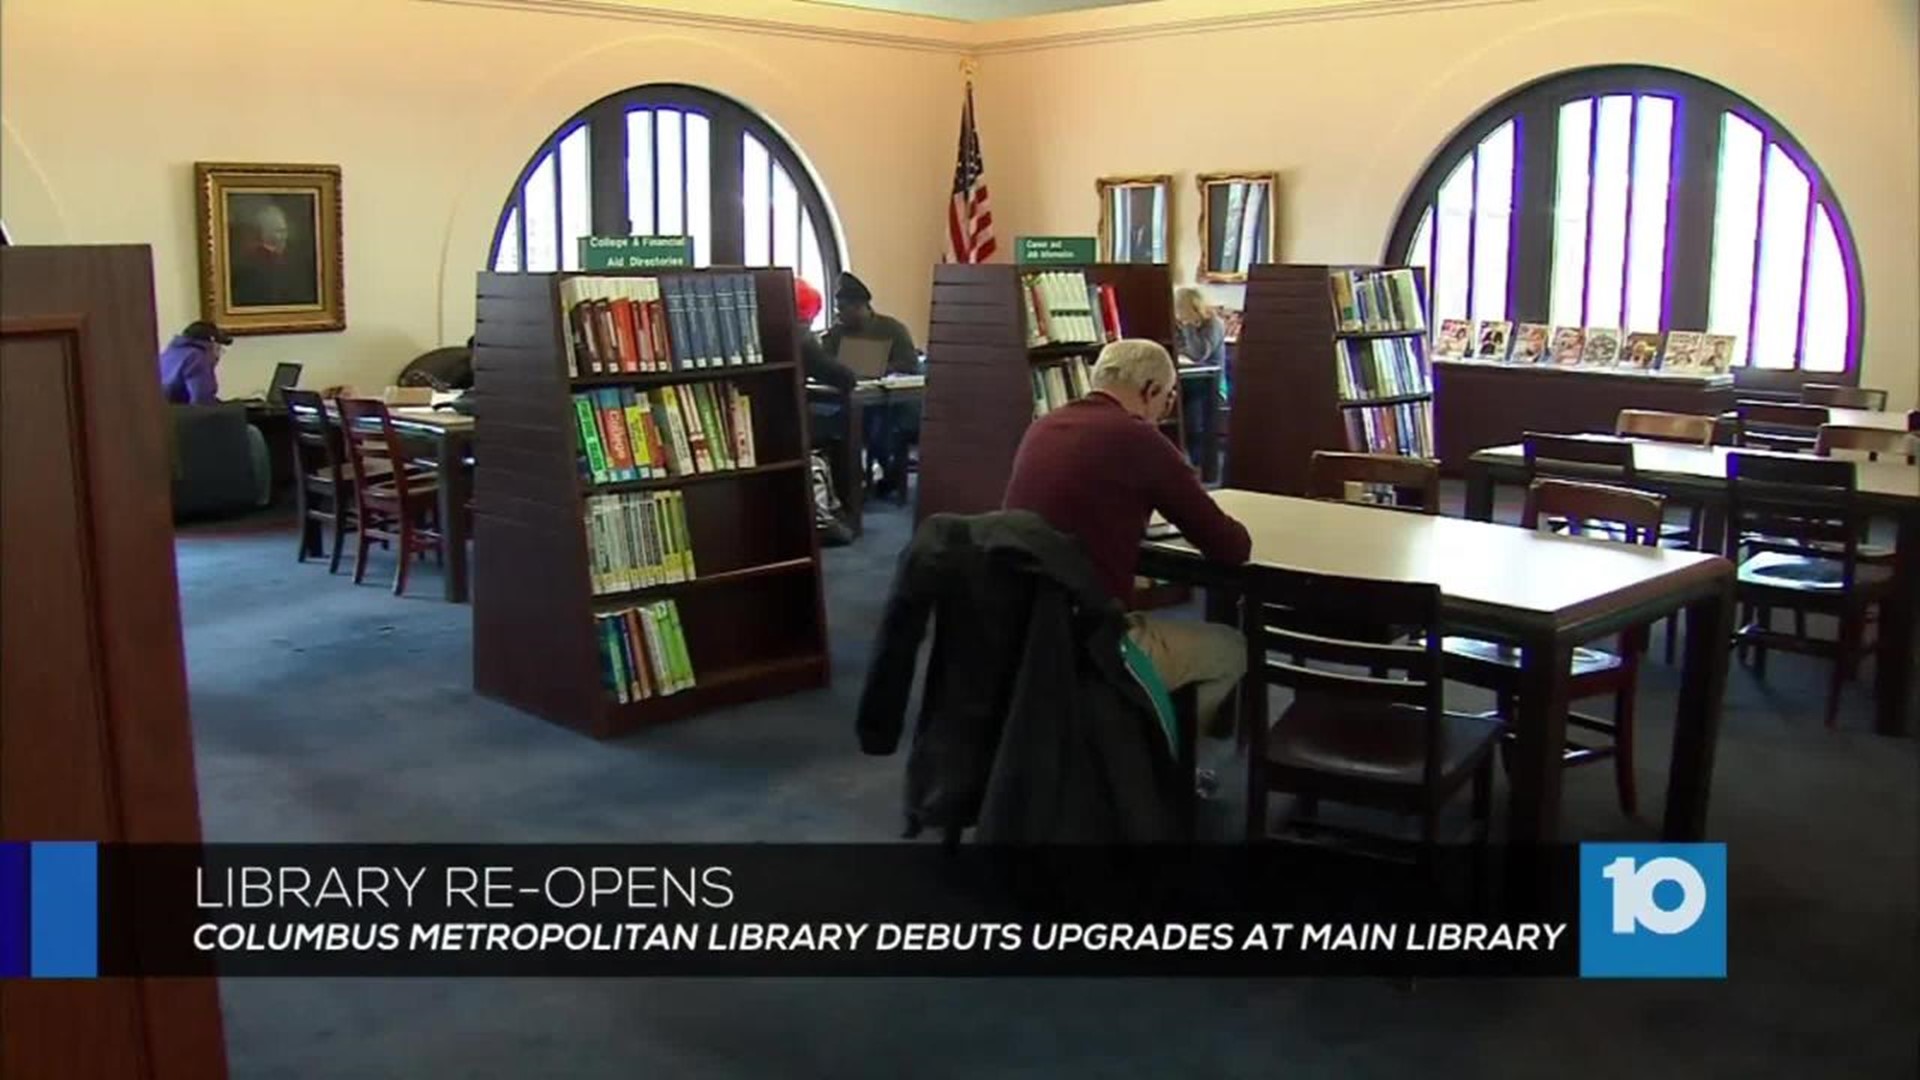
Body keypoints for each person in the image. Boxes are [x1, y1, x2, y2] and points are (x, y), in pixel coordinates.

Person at [1003, 338, 1251, 731]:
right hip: (1094, 639)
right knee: (1232, 650)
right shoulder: (1140, 440)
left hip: (1020, 624)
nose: (1164, 410)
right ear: (1150, 390)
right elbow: (1230, 547)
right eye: (1168, 399)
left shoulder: (1043, 427)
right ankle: (1156, 764)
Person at [823, 272, 920, 497]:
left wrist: (878, 367)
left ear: (860, 306)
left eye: (843, 308)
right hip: (848, 399)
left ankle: (889, 473)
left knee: (879, 423)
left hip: (889, 401)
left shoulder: (892, 329)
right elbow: (825, 362)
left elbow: (909, 364)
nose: (839, 314)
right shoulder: (837, 333)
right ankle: (848, 481)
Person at [796, 278, 857, 545]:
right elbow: (842, 377)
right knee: (835, 434)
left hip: (765, 419)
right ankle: (830, 512)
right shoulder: (801, 337)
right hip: (791, 421)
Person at [1172, 286, 1225, 468]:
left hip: (1211, 384)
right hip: (1187, 381)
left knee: (1191, 419)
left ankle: (1196, 465)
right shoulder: (1178, 324)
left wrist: (1188, 327)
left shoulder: (1213, 324)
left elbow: (1198, 353)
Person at [158, 320, 234, 404]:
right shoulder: (197, 358)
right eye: (219, 349)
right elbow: (202, 401)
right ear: (212, 344)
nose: (218, 357)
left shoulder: (168, 353)